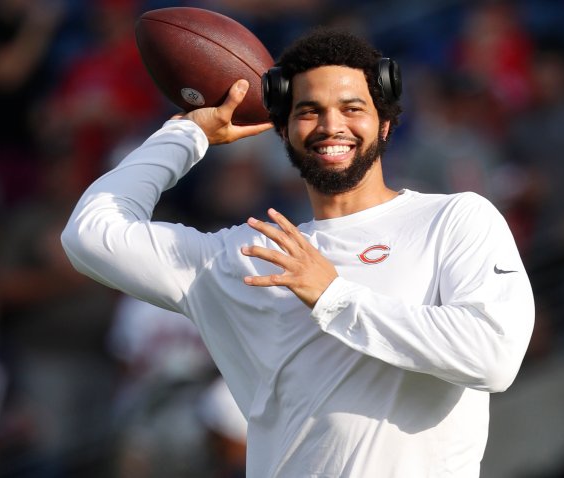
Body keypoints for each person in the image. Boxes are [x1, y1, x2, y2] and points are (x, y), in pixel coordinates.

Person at [61, 28, 534, 477]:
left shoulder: (454, 220)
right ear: (282, 131)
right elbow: (90, 233)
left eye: (353, 108)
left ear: (385, 124)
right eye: (309, 111)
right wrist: (188, 135)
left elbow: (493, 357)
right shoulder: (242, 256)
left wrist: (333, 295)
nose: (332, 125)